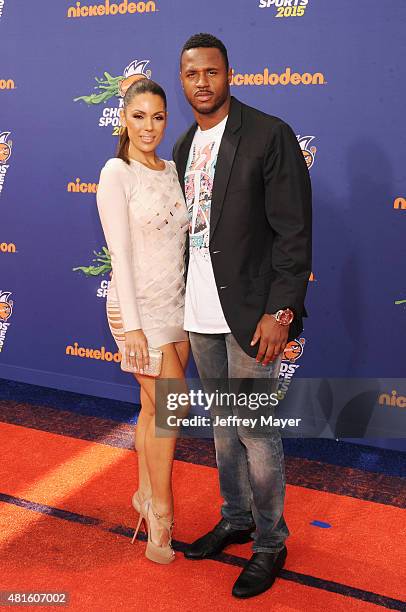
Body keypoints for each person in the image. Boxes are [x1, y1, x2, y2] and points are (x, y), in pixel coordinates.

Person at [173, 33, 312, 598]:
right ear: (181, 80)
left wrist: (282, 310)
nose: (202, 82)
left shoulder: (267, 134)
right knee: (224, 427)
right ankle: (235, 518)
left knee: (255, 430)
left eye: (211, 71)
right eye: (191, 74)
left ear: (230, 74)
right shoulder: (183, 144)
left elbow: (293, 231)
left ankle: (270, 541)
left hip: (253, 314)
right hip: (199, 312)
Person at [96, 78, 189, 564]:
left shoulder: (174, 170)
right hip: (136, 311)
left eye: (157, 117)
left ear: (166, 119)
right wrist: (132, 326)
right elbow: (121, 255)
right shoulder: (117, 172)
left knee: (155, 412)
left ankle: (142, 495)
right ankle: (162, 512)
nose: (148, 127)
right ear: (123, 119)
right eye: (138, 117)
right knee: (175, 409)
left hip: (177, 310)